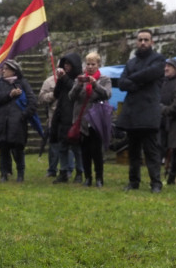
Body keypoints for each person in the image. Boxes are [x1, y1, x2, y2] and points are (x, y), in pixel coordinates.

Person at [116, 29, 166, 192]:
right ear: (136, 42)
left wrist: (132, 79)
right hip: (132, 111)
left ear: (152, 42)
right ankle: (133, 181)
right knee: (134, 151)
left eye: (146, 40)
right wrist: (137, 81)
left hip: (149, 111)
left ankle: (156, 183)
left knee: (151, 150)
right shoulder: (131, 62)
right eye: (140, 40)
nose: (143, 42)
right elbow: (121, 83)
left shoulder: (158, 59)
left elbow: (151, 74)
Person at [69, 51, 112, 187]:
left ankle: (99, 177)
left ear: (98, 65)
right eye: (88, 64)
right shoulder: (79, 79)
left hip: (96, 119)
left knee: (96, 151)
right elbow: (71, 97)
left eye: (93, 64)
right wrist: (78, 85)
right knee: (85, 151)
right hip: (81, 119)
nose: (90, 67)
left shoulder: (104, 79)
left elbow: (107, 94)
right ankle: (88, 177)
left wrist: (95, 85)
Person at [0, 59, 35, 182]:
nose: (3, 71)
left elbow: (32, 101)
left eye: (6, 69)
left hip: (17, 123)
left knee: (18, 149)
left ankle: (20, 174)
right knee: (3, 148)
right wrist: (10, 94)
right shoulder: (1, 83)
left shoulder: (23, 83)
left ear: (13, 71)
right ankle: (4, 173)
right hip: (2, 121)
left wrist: (23, 115)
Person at [52, 52, 83, 184]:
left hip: (74, 118)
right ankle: (63, 171)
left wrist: (64, 78)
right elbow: (56, 94)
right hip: (62, 117)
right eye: (65, 64)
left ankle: (79, 172)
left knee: (76, 148)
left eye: (69, 64)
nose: (66, 67)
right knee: (62, 146)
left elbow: (74, 90)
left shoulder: (80, 79)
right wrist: (60, 80)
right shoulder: (63, 79)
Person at [159, 59, 176, 173]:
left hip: (173, 117)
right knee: (160, 142)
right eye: (165, 66)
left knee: (172, 144)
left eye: (169, 67)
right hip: (161, 117)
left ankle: (172, 166)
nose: (166, 69)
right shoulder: (162, 81)